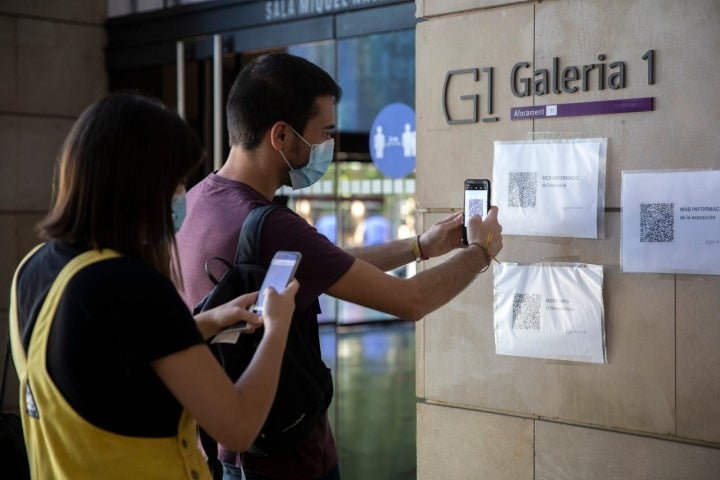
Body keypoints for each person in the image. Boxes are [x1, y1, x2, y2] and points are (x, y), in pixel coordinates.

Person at [176, 52, 503, 480]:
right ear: (281, 135)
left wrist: (420, 247)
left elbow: (328, 266)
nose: (329, 146)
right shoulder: (274, 226)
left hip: (224, 452)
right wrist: (481, 251)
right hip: (286, 459)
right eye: (325, 133)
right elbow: (412, 300)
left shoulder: (198, 202)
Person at [9, 92, 299, 480]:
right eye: (177, 182)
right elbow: (239, 426)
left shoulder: (36, 267)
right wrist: (276, 330)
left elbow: (108, 358)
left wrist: (209, 321)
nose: (181, 194)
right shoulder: (130, 285)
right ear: (139, 186)